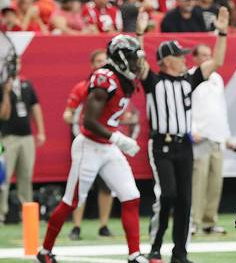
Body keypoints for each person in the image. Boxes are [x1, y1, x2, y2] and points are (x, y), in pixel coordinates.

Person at [37, 35, 147, 263]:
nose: (137, 63)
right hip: (89, 147)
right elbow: (88, 121)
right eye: (133, 58)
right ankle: (44, 251)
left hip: (107, 148)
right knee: (71, 201)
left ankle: (134, 254)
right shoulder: (104, 79)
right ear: (121, 58)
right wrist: (118, 138)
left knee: (131, 197)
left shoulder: (121, 76)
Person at [138, 9, 228, 263]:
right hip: (162, 145)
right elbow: (139, 63)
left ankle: (180, 252)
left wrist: (221, 33)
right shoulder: (153, 82)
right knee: (167, 195)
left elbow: (217, 62)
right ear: (167, 60)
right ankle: (155, 246)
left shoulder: (189, 80)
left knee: (185, 200)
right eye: (179, 56)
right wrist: (139, 34)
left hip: (184, 146)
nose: (184, 60)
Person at [62, 49, 114, 240]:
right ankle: (76, 227)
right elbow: (69, 111)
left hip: (106, 143)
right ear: (92, 65)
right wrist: (70, 117)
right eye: (98, 61)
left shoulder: (114, 87)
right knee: (80, 187)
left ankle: (104, 225)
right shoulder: (82, 87)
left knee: (108, 186)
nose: (101, 64)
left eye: (104, 60)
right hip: (86, 140)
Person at [190, 44, 236, 236]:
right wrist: (192, 130)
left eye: (208, 55)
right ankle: (193, 221)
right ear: (194, 58)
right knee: (198, 182)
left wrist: (227, 137)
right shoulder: (191, 76)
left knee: (215, 183)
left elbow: (221, 109)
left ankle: (209, 221)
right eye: (202, 55)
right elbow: (187, 107)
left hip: (218, 137)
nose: (206, 58)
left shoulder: (217, 78)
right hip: (201, 137)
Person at [0, 57, 45, 224]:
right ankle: (1, 214)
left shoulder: (26, 84)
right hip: (6, 137)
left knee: (26, 176)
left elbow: (35, 106)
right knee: (3, 177)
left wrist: (40, 131)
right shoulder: (2, 84)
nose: (16, 66)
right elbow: (3, 115)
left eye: (18, 63)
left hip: (26, 136)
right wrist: (5, 92)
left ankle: (28, 215)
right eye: (13, 63)